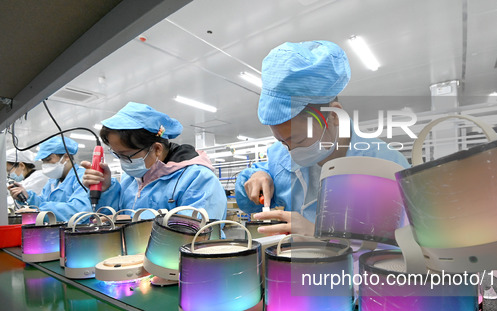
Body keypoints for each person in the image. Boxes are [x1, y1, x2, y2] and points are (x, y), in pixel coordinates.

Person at [235, 40, 410, 236]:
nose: (291, 153)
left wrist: (322, 237)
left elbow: (405, 248)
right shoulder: (281, 156)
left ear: (333, 117)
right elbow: (246, 196)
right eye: (283, 142)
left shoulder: (387, 167)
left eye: (299, 141)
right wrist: (256, 178)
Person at [81, 102, 226, 221]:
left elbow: (197, 230)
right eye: (117, 155)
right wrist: (105, 190)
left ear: (156, 149)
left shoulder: (197, 178)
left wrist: (131, 221)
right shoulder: (130, 180)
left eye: (126, 155)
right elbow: (108, 220)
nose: (123, 162)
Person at [8, 136, 93, 221]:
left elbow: (79, 211)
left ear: (66, 156)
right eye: (43, 161)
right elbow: (43, 202)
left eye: (48, 159)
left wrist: (40, 211)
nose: (45, 164)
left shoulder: (83, 177)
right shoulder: (53, 181)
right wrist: (28, 197)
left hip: (77, 231)